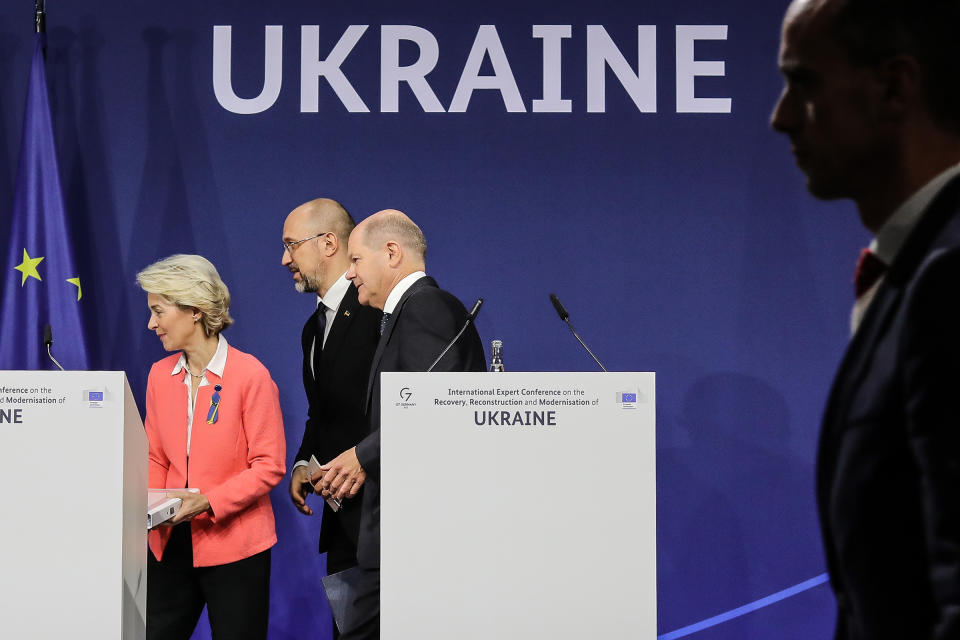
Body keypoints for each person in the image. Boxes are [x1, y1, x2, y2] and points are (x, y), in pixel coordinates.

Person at [771, 0, 960, 637]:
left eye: (804, 83)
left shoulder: (950, 280)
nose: (780, 118)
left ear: (893, 87)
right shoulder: (916, 270)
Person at [317, 209, 486, 639]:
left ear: (391, 253)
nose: (350, 273)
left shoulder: (426, 308)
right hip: (402, 534)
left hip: (416, 535)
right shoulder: (409, 313)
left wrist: (362, 455)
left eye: (355, 260)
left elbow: (441, 411)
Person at [137, 254, 286, 640]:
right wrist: (151, 513)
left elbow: (268, 465)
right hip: (169, 545)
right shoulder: (158, 376)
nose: (151, 324)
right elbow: (155, 455)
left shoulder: (251, 375)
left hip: (236, 549)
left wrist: (208, 501)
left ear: (195, 310)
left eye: (158, 311)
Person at [281, 198, 381, 638]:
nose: (285, 259)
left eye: (291, 245)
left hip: (382, 516)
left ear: (327, 243)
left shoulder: (378, 313)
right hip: (342, 519)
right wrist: (305, 461)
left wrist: (363, 460)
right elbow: (321, 410)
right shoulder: (312, 328)